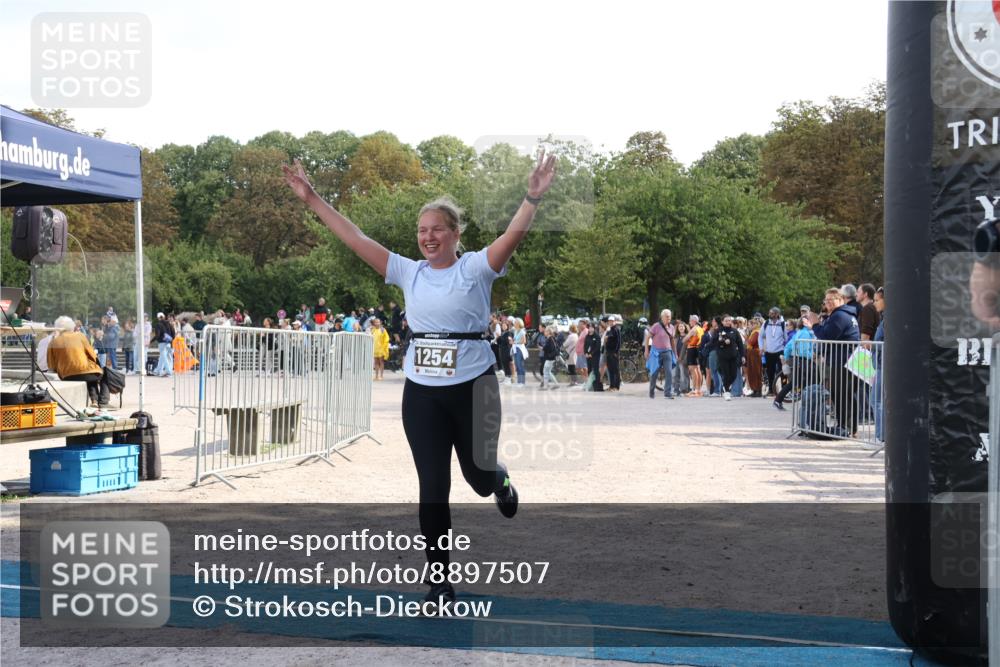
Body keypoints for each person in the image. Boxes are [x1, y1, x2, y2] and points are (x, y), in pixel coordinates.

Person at [283, 150, 556, 607]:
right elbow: (354, 237)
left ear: (454, 234)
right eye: (422, 231)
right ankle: (440, 581)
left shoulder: (475, 268)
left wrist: (531, 198)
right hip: (423, 394)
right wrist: (311, 197)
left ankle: (499, 480)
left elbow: (512, 236)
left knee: (479, 476)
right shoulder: (408, 272)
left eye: (437, 230)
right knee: (433, 487)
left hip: (475, 387)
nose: (428, 237)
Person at [804, 288, 861, 435]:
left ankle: (846, 427)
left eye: (832, 299)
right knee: (845, 394)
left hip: (842, 360)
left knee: (841, 394)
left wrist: (815, 324)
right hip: (845, 359)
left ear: (841, 300)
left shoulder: (840, 315)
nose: (828, 302)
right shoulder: (844, 314)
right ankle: (849, 426)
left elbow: (827, 336)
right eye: (826, 300)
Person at [48, 315, 110, 408]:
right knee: (101, 373)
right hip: (85, 371)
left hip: (66, 375)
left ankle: (94, 401)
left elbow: (51, 365)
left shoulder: (53, 341)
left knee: (89, 374)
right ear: (72, 326)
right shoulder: (80, 336)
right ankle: (102, 401)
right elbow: (92, 354)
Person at [774, 317, 817, 410]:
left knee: (795, 383)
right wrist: (813, 355)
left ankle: (778, 400)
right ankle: (810, 406)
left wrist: (785, 358)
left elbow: (788, 347)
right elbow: (804, 351)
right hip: (804, 360)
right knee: (812, 382)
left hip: (797, 360)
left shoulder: (799, 332)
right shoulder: (806, 333)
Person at [645, 309, 676, 399]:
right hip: (656, 352)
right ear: (662, 317)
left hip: (667, 352)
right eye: (666, 316)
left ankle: (667, 393)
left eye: (669, 316)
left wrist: (675, 353)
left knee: (669, 372)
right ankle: (651, 391)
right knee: (654, 373)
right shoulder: (656, 326)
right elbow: (648, 337)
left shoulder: (672, 328)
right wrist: (646, 350)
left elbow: (672, 341)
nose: (668, 318)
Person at [715, 315, 745, 401]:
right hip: (723, 357)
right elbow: (715, 343)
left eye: (729, 320)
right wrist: (723, 342)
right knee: (726, 374)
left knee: (734, 375)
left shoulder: (735, 331)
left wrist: (742, 355)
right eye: (726, 321)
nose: (728, 322)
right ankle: (727, 392)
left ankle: (726, 386)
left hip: (733, 357)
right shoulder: (719, 331)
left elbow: (740, 344)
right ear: (722, 322)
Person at [759, 307, 785, 397]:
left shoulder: (782, 324)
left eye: (773, 313)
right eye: (770, 313)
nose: (770, 315)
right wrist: (761, 347)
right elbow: (760, 337)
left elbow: (786, 338)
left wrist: (784, 348)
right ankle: (771, 390)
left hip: (780, 351)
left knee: (783, 371)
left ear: (778, 314)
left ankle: (784, 390)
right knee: (770, 372)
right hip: (769, 351)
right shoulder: (766, 323)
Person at [872, 287, 885, 445]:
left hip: (883, 364)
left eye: (877, 300)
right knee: (875, 399)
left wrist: (873, 345)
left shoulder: (888, 319)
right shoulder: (883, 318)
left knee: (877, 400)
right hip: (879, 364)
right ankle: (879, 435)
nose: (875, 304)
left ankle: (881, 436)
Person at [684, 316, 704, 396]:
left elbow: (684, 339)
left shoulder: (694, 329)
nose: (689, 322)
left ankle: (695, 389)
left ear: (694, 321)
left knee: (693, 370)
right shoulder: (700, 328)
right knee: (698, 369)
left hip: (692, 349)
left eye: (690, 321)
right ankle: (698, 389)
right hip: (698, 349)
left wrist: (687, 337)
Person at [745, 315, 764, 397]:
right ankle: (754, 389)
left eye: (750, 324)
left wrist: (746, 339)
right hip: (752, 353)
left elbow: (751, 342)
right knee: (752, 372)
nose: (749, 326)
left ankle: (757, 389)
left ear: (755, 324)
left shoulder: (757, 332)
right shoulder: (754, 332)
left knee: (755, 372)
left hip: (754, 353)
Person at [584, 318, 603, 392]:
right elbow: (585, 346)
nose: (590, 329)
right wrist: (586, 353)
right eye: (589, 327)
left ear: (594, 328)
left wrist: (591, 354)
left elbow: (597, 347)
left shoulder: (597, 336)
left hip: (595, 356)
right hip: (588, 356)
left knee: (595, 370)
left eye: (592, 327)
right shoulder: (587, 336)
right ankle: (591, 385)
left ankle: (597, 385)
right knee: (589, 370)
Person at [152, 312, 174, 377]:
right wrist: (170, 339)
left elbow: (157, 335)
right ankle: (158, 371)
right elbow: (173, 333)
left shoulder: (158, 324)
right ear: (164, 317)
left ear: (158, 318)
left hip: (162, 343)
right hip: (169, 342)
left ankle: (168, 371)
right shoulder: (169, 324)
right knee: (166, 357)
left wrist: (151, 341)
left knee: (164, 357)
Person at [605, 315, 622, 391]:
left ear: (614, 321)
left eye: (612, 321)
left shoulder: (616, 329)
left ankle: (616, 386)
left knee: (615, 369)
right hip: (608, 352)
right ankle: (611, 386)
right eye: (609, 321)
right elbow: (606, 340)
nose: (610, 322)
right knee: (610, 369)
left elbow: (618, 341)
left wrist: (616, 351)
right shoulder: (609, 330)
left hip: (614, 352)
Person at [541, 324, 560, 390]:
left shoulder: (549, 339)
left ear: (549, 332)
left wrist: (543, 348)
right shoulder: (553, 338)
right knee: (548, 371)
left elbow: (549, 348)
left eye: (545, 331)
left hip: (549, 358)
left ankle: (546, 386)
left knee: (546, 371)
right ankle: (555, 384)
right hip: (551, 358)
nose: (544, 332)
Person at [673, 321, 690, 395]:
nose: (681, 328)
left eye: (682, 326)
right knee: (675, 375)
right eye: (679, 327)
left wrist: (681, 357)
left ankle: (685, 389)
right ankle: (676, 389)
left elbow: (686, 349)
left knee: (684, 374)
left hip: (683, 358)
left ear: (685, 327)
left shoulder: (687, 336)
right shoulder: (676, 337)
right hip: (676, 358)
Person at [512, 317, 528, 386]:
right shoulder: (515, 331)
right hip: (515, 349)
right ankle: (519, 381)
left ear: (518, 323)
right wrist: (512, 341)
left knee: (520, 365)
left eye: (515, 322)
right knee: (517, 365)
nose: (514, 323)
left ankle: (522, 382)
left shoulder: (522, 331)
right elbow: (515, 340)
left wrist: (515, 342)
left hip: (520, 349)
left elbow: (524, 341)